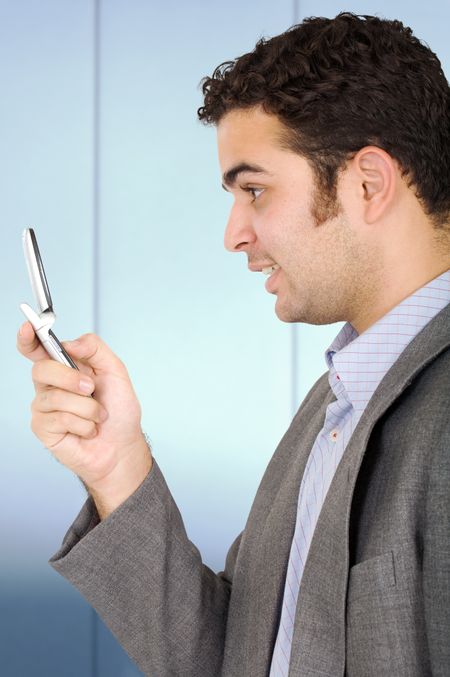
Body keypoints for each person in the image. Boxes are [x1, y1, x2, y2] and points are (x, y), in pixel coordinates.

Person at [17, 11, 450, 677]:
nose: (234, 233)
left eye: (255, 189)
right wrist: (116, 468)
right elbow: (235, 657)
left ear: (368, 183)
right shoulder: (333, 410)